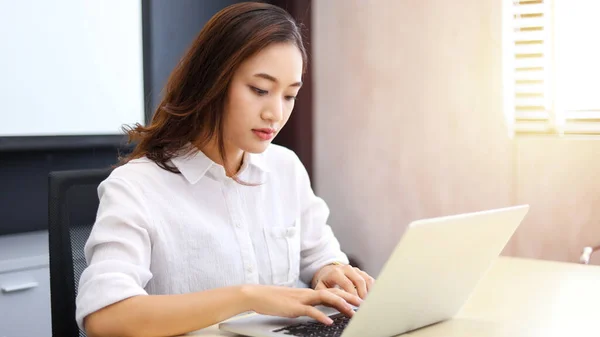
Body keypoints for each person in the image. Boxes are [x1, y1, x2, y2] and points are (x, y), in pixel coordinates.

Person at [75, 2, 374, 337]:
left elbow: (318, 254)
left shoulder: (285, 167)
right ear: (212, 81)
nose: (275, 113)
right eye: (260, 90)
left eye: (289, 95)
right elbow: (104, 318)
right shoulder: (137, 187)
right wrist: (247, 296)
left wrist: (330, 270)